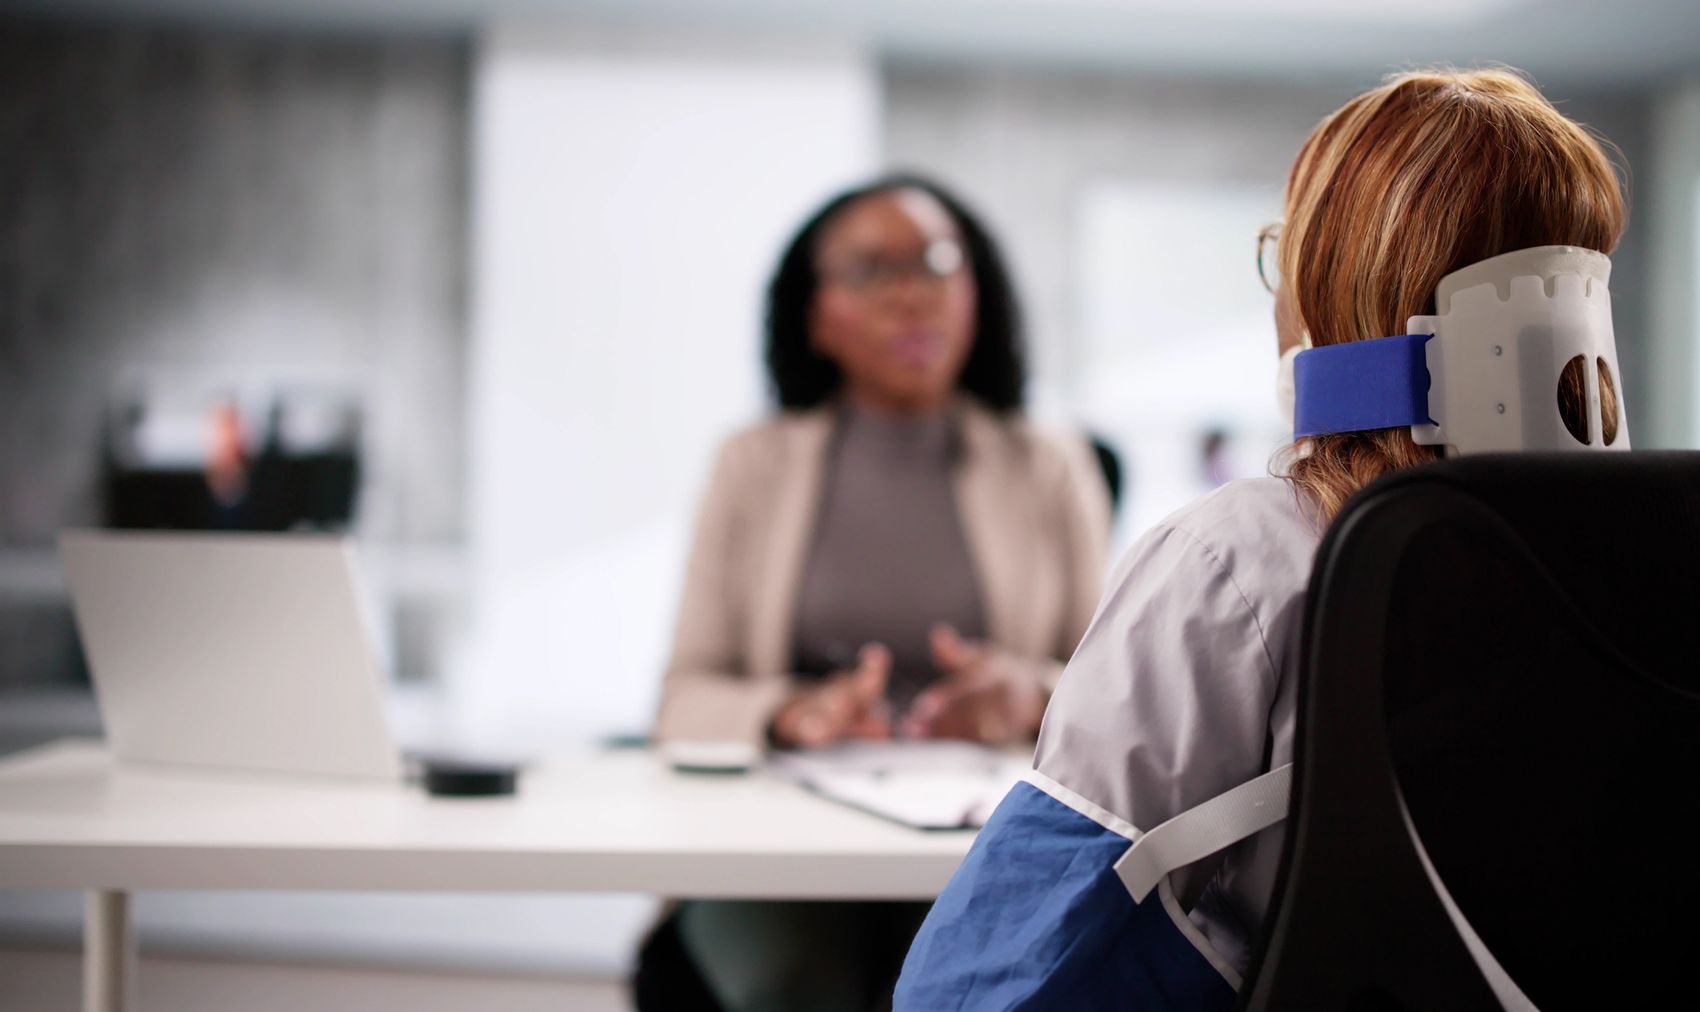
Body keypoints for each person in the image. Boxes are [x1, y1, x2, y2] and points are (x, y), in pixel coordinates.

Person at [893, 67, 1630, 1009]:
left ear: (1329, 282)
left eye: (1286, 251)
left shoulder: (1236, 558)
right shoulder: (1670, 563)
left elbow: (992, 975)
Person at [637, 175, 1112, 1010]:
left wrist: (1027, 693)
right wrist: (792, 711)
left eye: (935, 263)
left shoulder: (1050, 463)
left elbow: (1116, 697)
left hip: (989, 841)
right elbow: (683, 698)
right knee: (793, 983)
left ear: (975, 292)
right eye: (870, 271)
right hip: (784, 839)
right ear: (817, 316)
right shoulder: (751, 465)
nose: (911, 295)